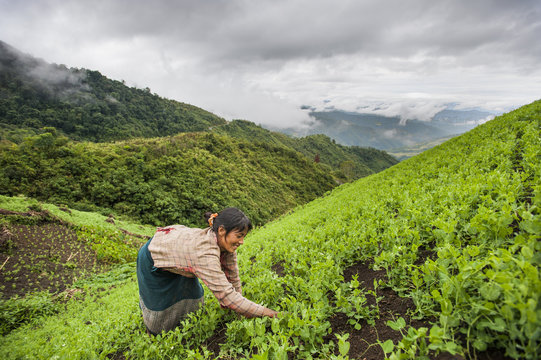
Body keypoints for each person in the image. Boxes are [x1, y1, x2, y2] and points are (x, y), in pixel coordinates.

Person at [136, 207, 278, 335]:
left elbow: (233, 277)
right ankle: (154, 331)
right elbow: (227, 296)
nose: (241, 242)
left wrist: (239, 310)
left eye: (243, 237)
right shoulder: (204, 255)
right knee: (160, 309)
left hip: (182, 252)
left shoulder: (225, 244)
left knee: (193, 296)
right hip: (154, 254)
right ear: (222, 231)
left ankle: (185, 322)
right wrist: (270, 313)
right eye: (239, 236)